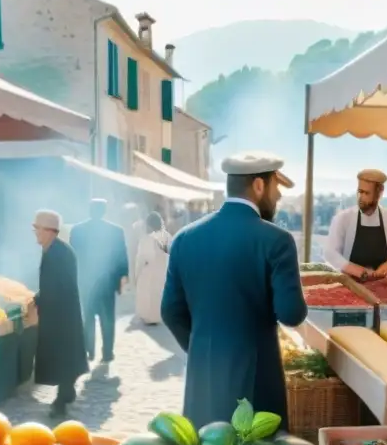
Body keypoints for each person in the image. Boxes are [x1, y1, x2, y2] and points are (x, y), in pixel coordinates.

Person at [161, 151, 307, 429]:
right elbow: (291, 314)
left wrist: (199, 346)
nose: (278, 197)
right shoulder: (277, 240)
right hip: (257, 374)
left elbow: (170, 311)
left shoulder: (184, 237)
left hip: (203, 372)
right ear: (259, 186)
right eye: (276, 188)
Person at [32, 210, 89, 417]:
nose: (35, 233)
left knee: (62, 356)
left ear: (48, 231)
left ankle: (61, 400)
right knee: (65, 356)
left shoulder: (58, 253)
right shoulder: (55, 249)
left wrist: (38, 300)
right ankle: (66, 393)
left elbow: (56, 287)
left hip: (61, 315)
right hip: (60, 312)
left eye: (37, 228)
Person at [69, 199, 128, 362]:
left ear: (90, 210)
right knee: (107, 318)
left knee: (87, 317)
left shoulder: (77, 230)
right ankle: (107, 352)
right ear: (104, 211)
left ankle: (90, 351)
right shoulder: (116, 231)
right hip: (107, 282)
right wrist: (122, 278)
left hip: (86, 281)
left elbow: (72, 257)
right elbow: (121, 257)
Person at [324, 169, 387, 279]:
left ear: (380, 192)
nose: (361, 198)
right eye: (360, 192)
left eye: (366, 193)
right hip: (351, 284)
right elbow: (330, 253)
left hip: (384, 285)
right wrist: (356, 270)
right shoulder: (342, 218)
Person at [135, 211, 171, 325]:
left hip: (150, 270)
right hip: (164, 269)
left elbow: (142, 258)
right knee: (160, 293)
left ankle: (149, 317)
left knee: (147, 293)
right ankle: (159, 316)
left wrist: (137, 274)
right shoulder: (167, 236)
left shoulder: (147, 238)